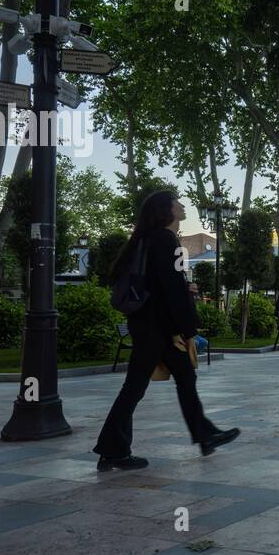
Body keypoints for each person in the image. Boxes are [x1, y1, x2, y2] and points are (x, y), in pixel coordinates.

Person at [94, 191, 239, 470]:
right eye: (178, 202)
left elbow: (161, 285)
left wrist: (184, 292)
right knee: (135, 387)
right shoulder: (165, 239)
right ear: (167, 210)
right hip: (157, 328)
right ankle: (113, 449)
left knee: (183, 377)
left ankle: (205, 434)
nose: (183, 205)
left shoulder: (150, 240)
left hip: (151, 324)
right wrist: (185, 330)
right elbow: (170, 290)